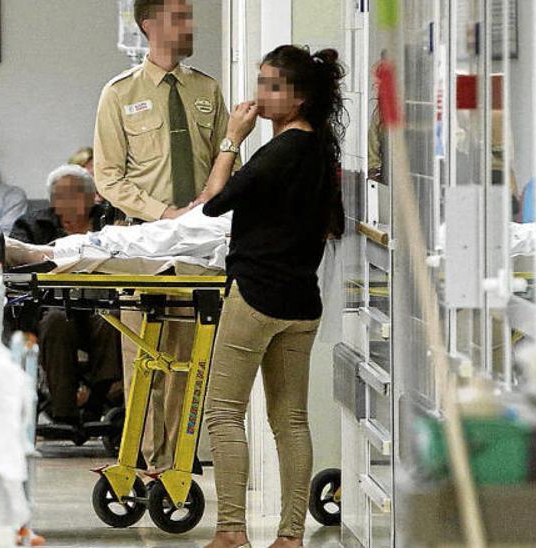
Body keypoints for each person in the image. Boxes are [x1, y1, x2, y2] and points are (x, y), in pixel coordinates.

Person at [193, 46, 346, 548]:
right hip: (302, 302)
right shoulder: (321, 149)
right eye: (260, 81)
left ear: (299, 98)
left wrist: (231, 140)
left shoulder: (279, 151)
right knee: (291, 420)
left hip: (256, 296)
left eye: (273, 85)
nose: (260, 94)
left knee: (222, 411)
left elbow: (214, 202)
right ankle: (290, 535)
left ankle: (232, 530)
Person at [92, 0, 230, 471]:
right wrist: (166, 213)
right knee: (144, 358)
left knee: (188, 358)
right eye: (179, 17)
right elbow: (108, 178)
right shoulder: (119, 94)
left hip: (197, 247)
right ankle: (146, 462)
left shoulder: (206, 89)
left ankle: (177, 462)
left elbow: (224, 164)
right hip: (143, 243)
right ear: (150, 25)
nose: (190, 25)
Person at [10, 165, 122, 427]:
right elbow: (15, 260)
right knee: (57, 321)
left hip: (101, 304)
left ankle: (98, 401)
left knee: (111, 320)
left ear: (91, 197)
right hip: (51, 309)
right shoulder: (32, 225)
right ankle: (63, 411)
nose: (67, 203)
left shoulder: (111, 221)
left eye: (75, 195)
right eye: (60, 196)